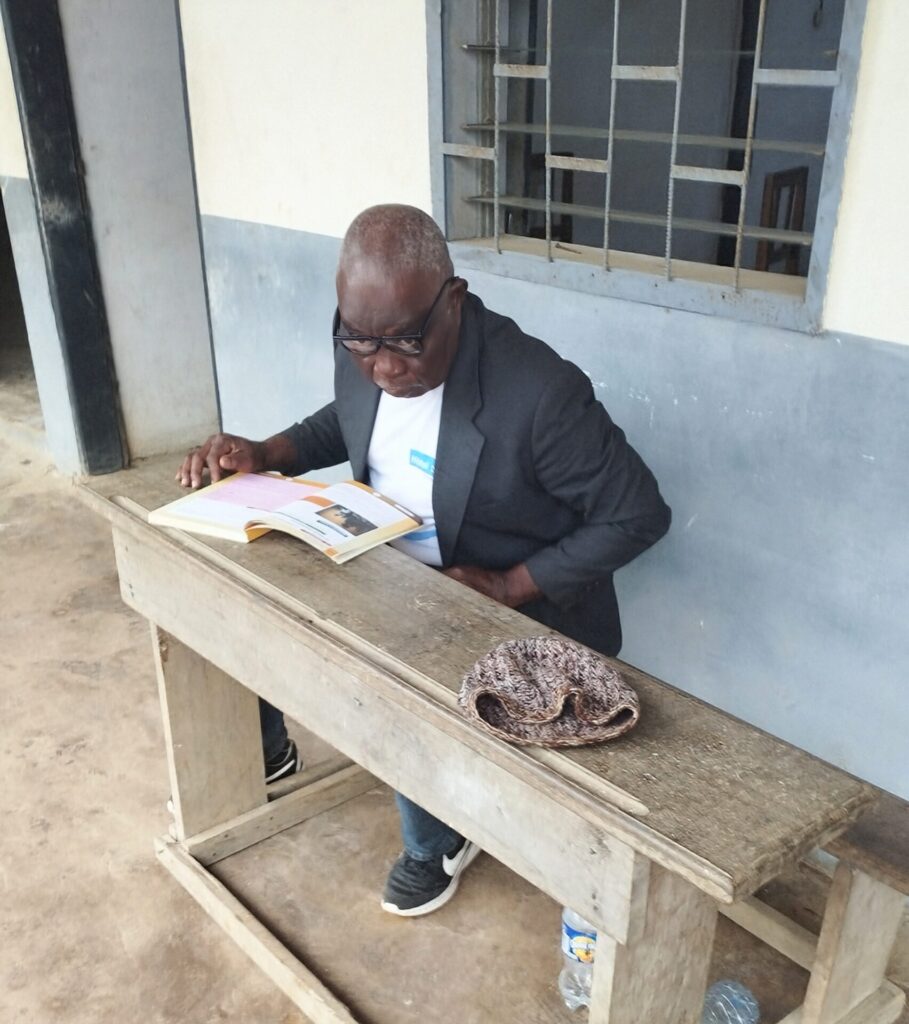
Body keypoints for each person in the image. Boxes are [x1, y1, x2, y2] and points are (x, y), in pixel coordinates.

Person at [177, 203, 671, 917]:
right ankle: (271, 749)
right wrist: (268, 453)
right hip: (388, 564)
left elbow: (638, 513)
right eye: (360, 342)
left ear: (454, 301)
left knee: (401, 677)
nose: (383, 367)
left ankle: (436, 839)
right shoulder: (366, 339)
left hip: (511, 609)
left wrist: (509, 585)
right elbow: (349, 416)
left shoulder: (539, 394)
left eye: (405, 343)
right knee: (252, 596)